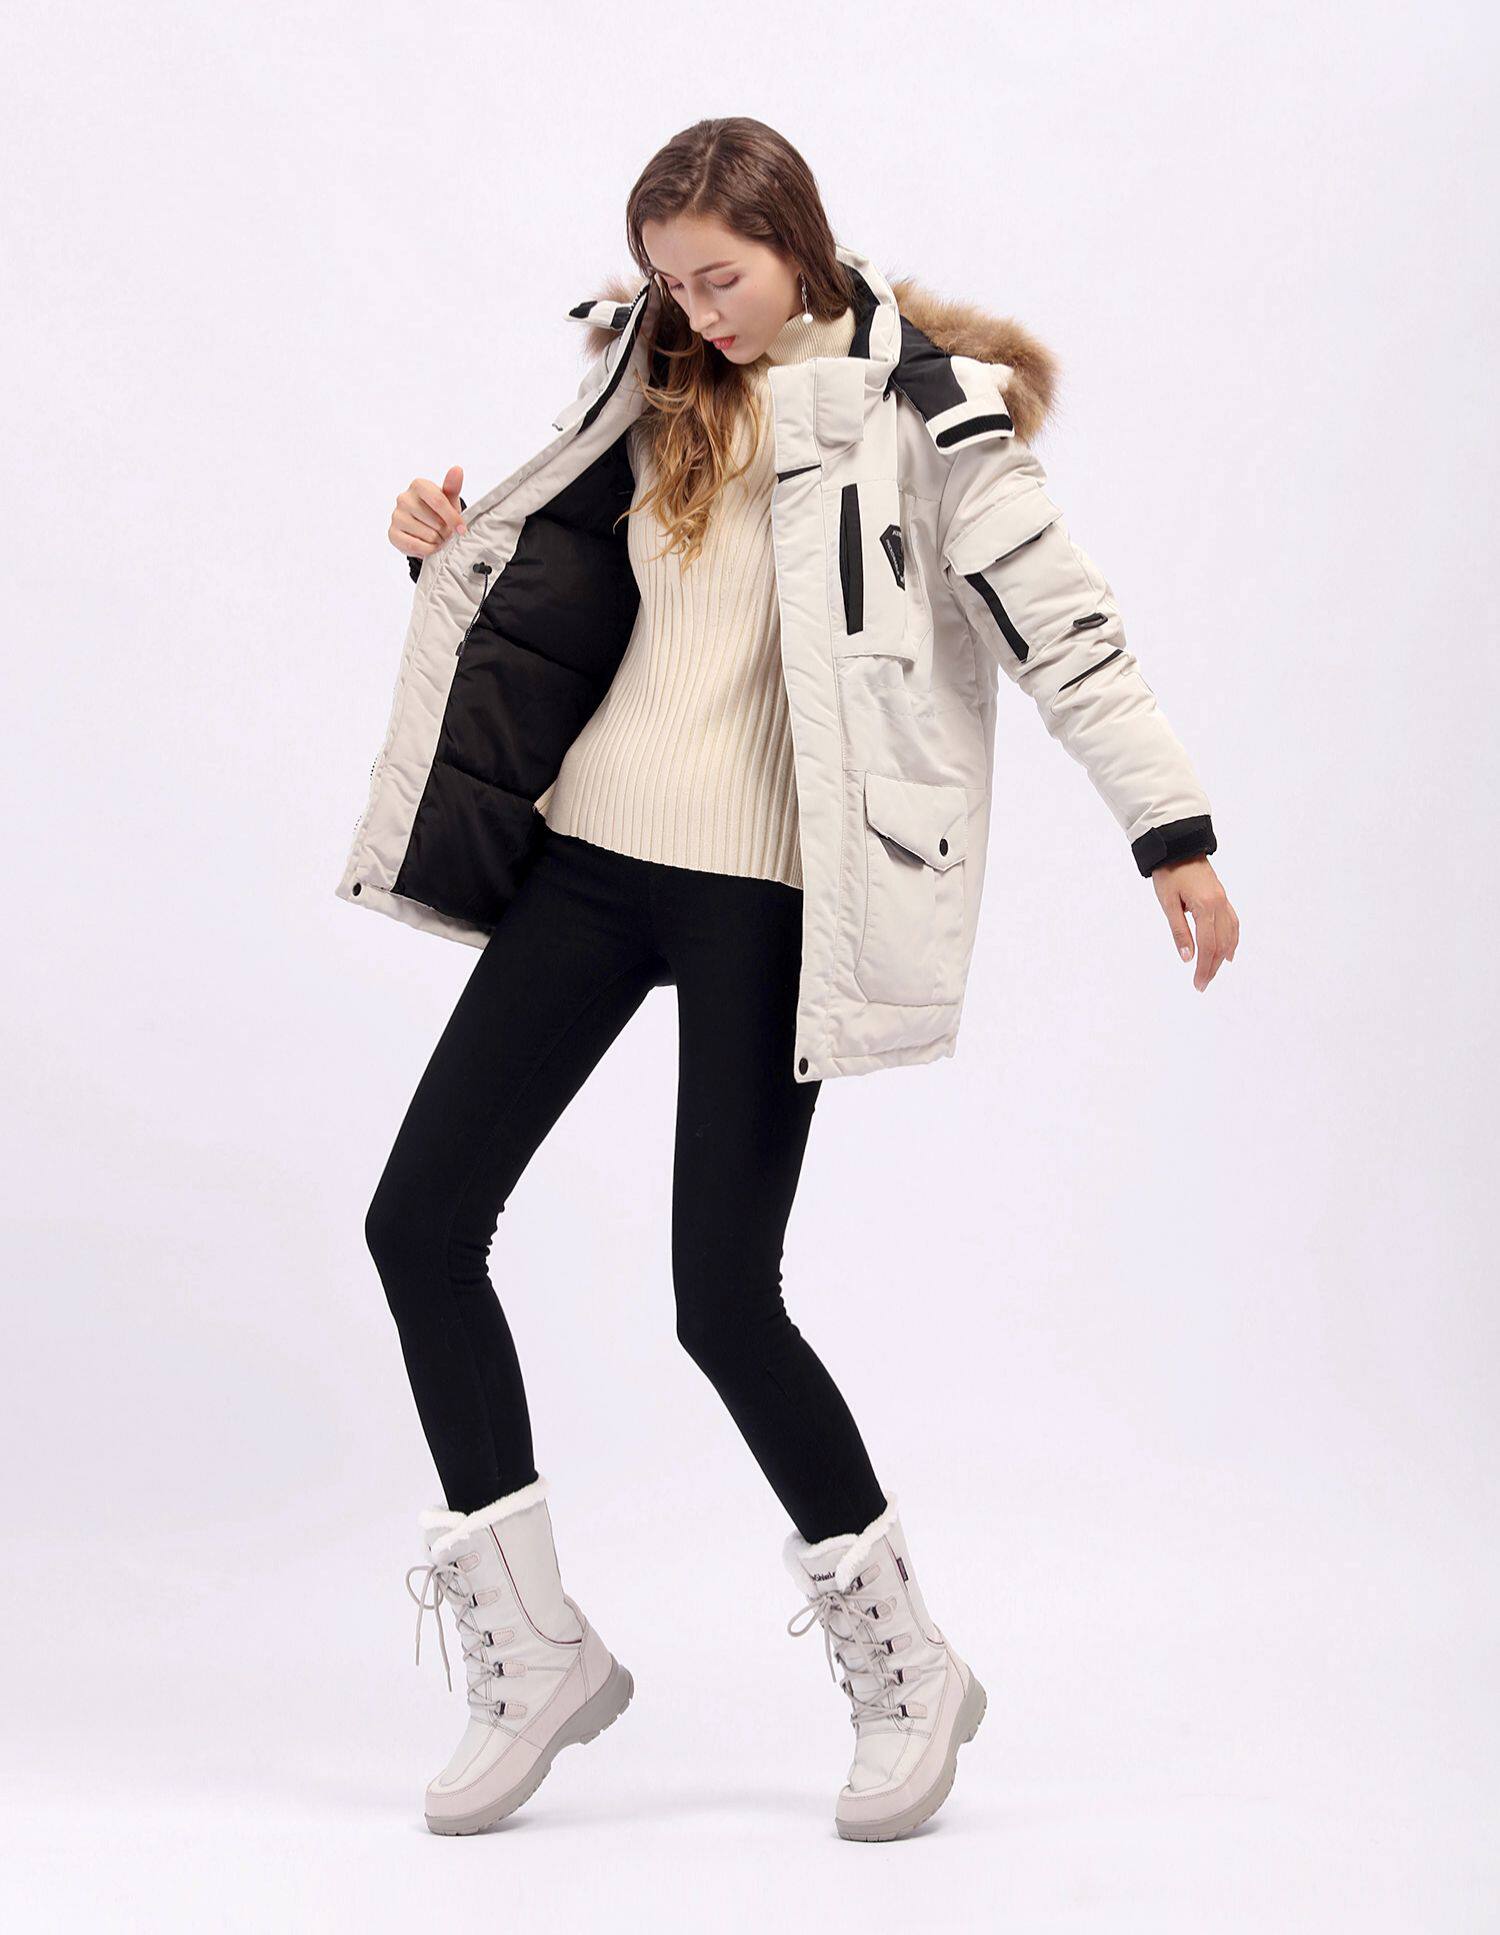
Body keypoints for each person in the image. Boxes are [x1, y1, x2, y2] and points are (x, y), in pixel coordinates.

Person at [359, 116, 1239, 1845]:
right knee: (419, 1223)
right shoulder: (648, 379)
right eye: (670, 281)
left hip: (767, 898)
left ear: (797, 240)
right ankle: (535, 1653)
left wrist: (1173, 833)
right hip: (590, 860)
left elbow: (1068, 630)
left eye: (723, 278)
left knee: (721, 1298)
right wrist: (436, 544)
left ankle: (909, 1662)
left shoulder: (927, 412)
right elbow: (564, 584)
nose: (697, 311)